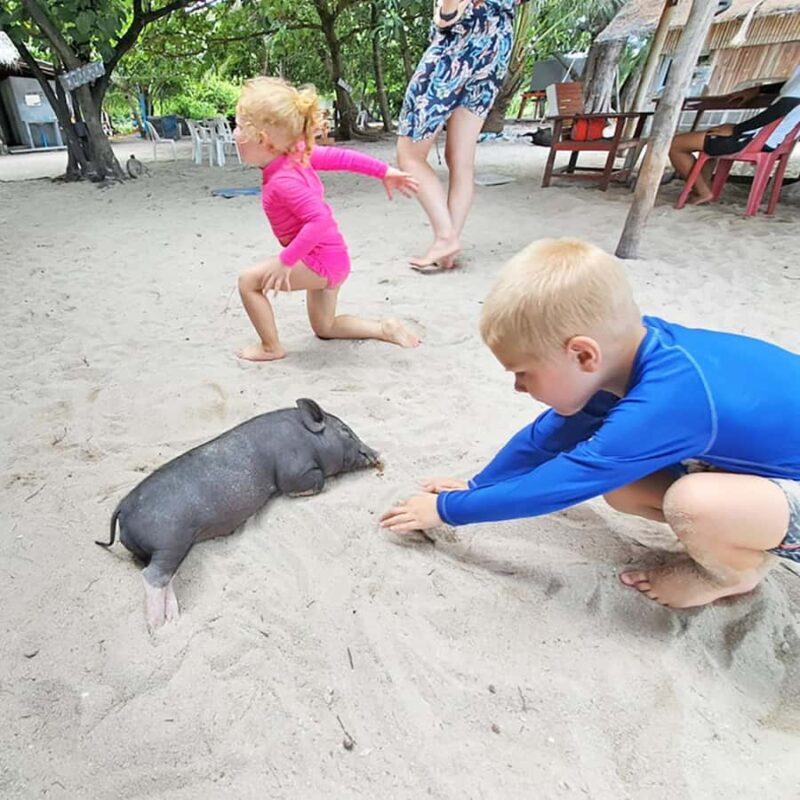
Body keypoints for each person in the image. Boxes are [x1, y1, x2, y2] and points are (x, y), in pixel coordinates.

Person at [380, 239, 800, 609]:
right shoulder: (631, 355)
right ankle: (738, 538)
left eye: (523, 373)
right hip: (771, 478)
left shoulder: (672, 397)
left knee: (693, 503)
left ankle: (733, 573)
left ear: (583, 355)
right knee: (623, 484)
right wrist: (477, 486)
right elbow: (549, 438)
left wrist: (446, 510)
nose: (518, 387)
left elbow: (564, 482)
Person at [234, 77, 421, 362]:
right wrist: (383, 171)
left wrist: (285, 261)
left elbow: (319, 220)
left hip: (319, 261)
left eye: (237, 127)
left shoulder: (282, 180)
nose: (233, 134)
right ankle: (384, 329)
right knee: (325, 327)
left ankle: (270, 347)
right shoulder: (296, 155)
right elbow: (341, 158)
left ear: (261, 139)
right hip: (333, 257)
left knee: (248, 282)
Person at [396, 0, 517, 272]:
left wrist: (444, 12)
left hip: (457, 50)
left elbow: (447, 17)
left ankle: (445, 237)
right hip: (495, 48)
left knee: (409, 155)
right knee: (461, 159)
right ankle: (447, 246)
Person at [669, 65, 800, 205]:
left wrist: (737, 129)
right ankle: (701, 188)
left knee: (674, 145)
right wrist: (759, 89)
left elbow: (785, 105)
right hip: (769, 139)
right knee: (706, 137)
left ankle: (702, 192)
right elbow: (790, 85)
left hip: (752, 139)